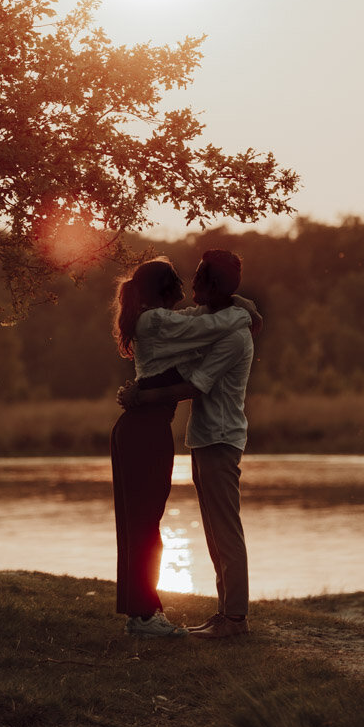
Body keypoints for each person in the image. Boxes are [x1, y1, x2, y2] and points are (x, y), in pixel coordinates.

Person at [110, 257, 256, 639]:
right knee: (142, 523)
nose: (186, 286)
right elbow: (201, 321)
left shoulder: (164, 322)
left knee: (145, 523)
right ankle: (144, 614)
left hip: (171, 430)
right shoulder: (157, 321)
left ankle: (222, 617)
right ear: (164, 288)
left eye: (193, 280)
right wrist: (244, 310)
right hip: (149, 430)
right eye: (177, 280)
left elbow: (201, 327)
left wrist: (143, 395)